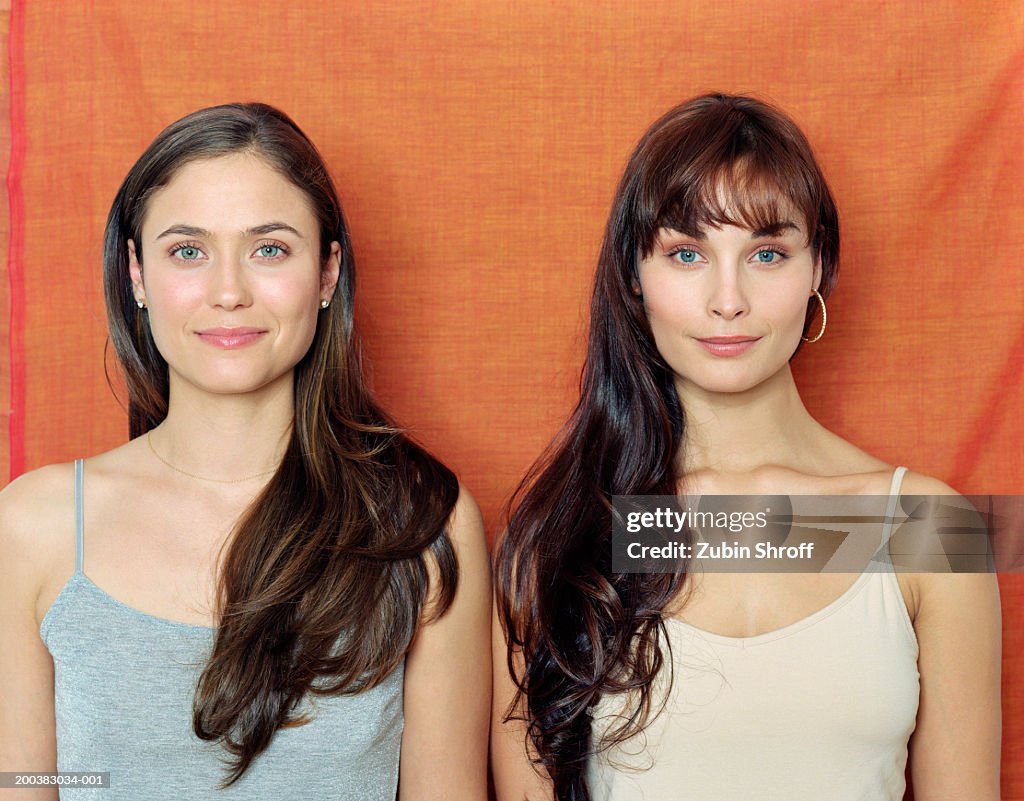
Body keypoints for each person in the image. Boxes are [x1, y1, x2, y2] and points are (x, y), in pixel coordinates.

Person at [491, 93, 1001, 800]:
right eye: (686, 253)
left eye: (766, 252)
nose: (727, 299)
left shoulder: (927, 529)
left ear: (819, 265)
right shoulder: (560, 536)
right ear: (633, 279)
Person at [0, 103, 490, 800]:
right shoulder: (30, 525)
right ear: (136, 274)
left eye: (270, 249)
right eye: (187, 251)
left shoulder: (422, 526)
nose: (228, 292)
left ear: (327, 274)